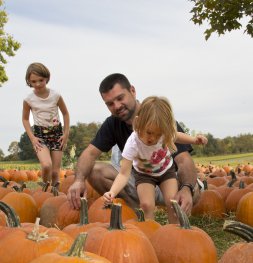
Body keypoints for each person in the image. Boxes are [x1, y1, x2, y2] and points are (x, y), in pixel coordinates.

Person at [67, 73, 201, 215]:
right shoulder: (112, 124)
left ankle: (177, 217)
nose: (117, 106)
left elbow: (183, 159)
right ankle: (136, 214)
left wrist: (186, 188)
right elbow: (90, 153)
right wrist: (79, 180)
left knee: (193, 189)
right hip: (142, 181)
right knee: (94, 170)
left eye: (120, 98)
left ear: (132, 90)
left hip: (168, 179)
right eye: (110, 103)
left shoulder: (157, 117)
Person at [103, 96, 207, 222]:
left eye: (159, 135)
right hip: (144, 175)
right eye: (150, 133)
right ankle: (150, 231)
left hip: (166, 172)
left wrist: (194, 140)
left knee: (172, 203)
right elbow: (124, 174)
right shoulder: (133, 143)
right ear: (138, 123)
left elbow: (177, 136)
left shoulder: (163, 132)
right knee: (147, 205)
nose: (154, 138)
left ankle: (173, 230)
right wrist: (112, 192)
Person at [22, 62, 70, 187]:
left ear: (47, 78)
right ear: (29, 82)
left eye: (41, 80)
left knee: (55, 172)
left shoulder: (56, 95)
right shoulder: (29, 100)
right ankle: (44, 186)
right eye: (33, 81)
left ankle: (54, 194)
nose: (37, 84)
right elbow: (25, 119)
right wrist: (32, 138)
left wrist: (65, 134)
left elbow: (65, 114)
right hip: (40, 136)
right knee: (46, 165)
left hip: (57, 135)